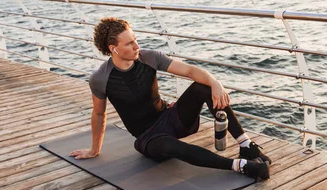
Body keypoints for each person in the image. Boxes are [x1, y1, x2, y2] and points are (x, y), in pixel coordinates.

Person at [69, 17, 270, 180]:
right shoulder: (100, 78)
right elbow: (98, 113)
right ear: (114, 48)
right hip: (148, 138)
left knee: (203, 87)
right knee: (167, 146)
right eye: (130, 43)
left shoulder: (149, 57)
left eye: (136, 39)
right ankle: (239, 166)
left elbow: (190, 71)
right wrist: (94, 150)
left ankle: (246, 146)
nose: (137, 46)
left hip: (171, 118)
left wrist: (215, 83)